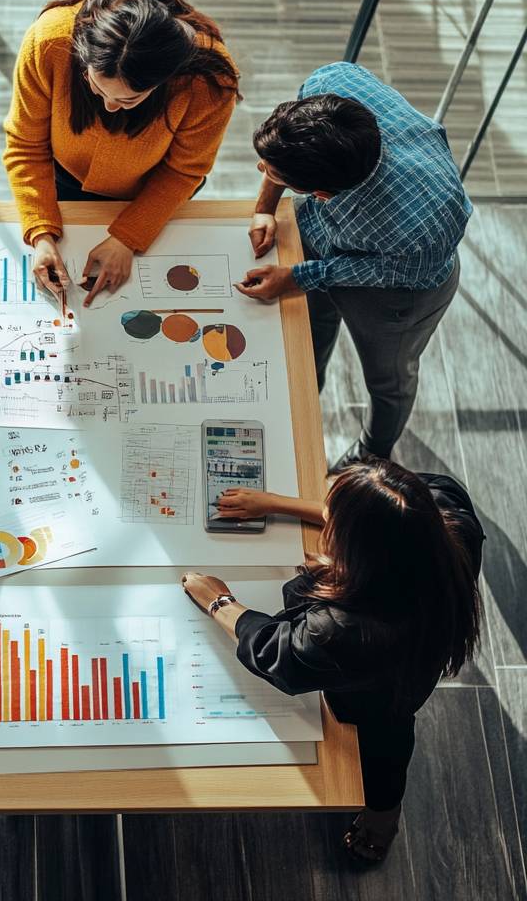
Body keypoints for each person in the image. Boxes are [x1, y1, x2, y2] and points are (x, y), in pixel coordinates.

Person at [182, 460, 483, 863]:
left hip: (383, 695)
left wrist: (219, 601)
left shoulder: (344, 630)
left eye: (336, 528)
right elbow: (369, 516)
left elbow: (276, 651)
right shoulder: (447, 510)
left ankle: (382, 817)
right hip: (422, 645)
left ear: (366, 558)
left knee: (384, 744)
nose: (327, 527)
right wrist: (275, 503)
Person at [237, 63, 472, 472]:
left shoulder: (420, 230)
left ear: (322, 193)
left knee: (389, 380)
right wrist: (265, 208)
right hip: (328, 238)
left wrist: (297, 276)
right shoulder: (332, 83)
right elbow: (280, 153)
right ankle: (306, 394)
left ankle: (372, 452)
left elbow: (368, 272)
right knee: (311, 327)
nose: (263, 173)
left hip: (399, 290)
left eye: (276, 177)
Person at [4, 0, 240, 307]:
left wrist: (127, 238)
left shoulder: (208, 82)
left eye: (129, 99)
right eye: (97, 89)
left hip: (150, 190)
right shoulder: (47, 42)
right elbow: (25, 145)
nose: (110, 107)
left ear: (166, 80)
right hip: (61, 177)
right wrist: (41, 236)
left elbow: (184, 171)